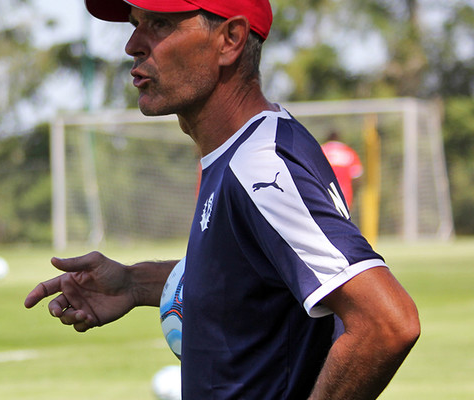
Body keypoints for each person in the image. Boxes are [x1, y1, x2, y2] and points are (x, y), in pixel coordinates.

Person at [25, 1, 420, 399]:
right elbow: (253, 279)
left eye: (160, 25)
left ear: (230, 40)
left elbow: (387, 322)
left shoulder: (260, 165)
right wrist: (134, 283)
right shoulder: (244, 150)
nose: (132, 45)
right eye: (135, 24)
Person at [322, 131, 364, 207]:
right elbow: (357, 178)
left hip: (323, 196)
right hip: (344, 196)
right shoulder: (349, 152)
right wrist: (353, 196)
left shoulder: (320, 151)